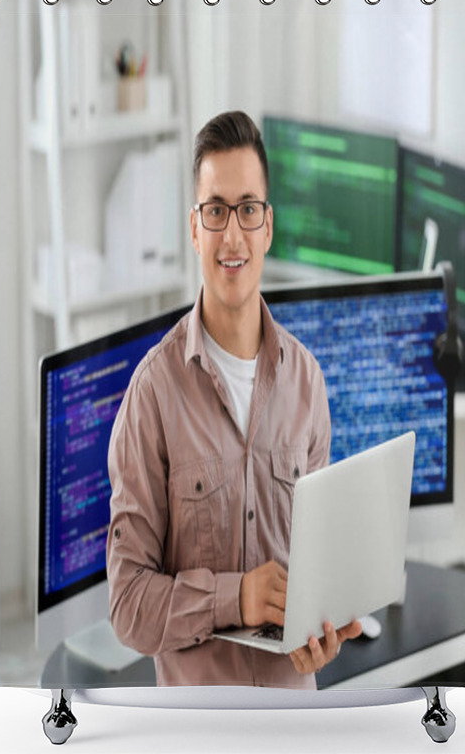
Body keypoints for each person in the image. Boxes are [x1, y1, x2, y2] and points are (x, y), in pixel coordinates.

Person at [106, 110, 361, 688]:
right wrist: (234, 598)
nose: (232, 235)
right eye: (215, 211)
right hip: (200, 734)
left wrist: (321, 631)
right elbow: (126, 604)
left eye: (248, 209)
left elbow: (313, 576)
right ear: (194, 228)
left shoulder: (306, 383)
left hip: (292, 723)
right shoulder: (152, 396)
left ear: (268, 226)